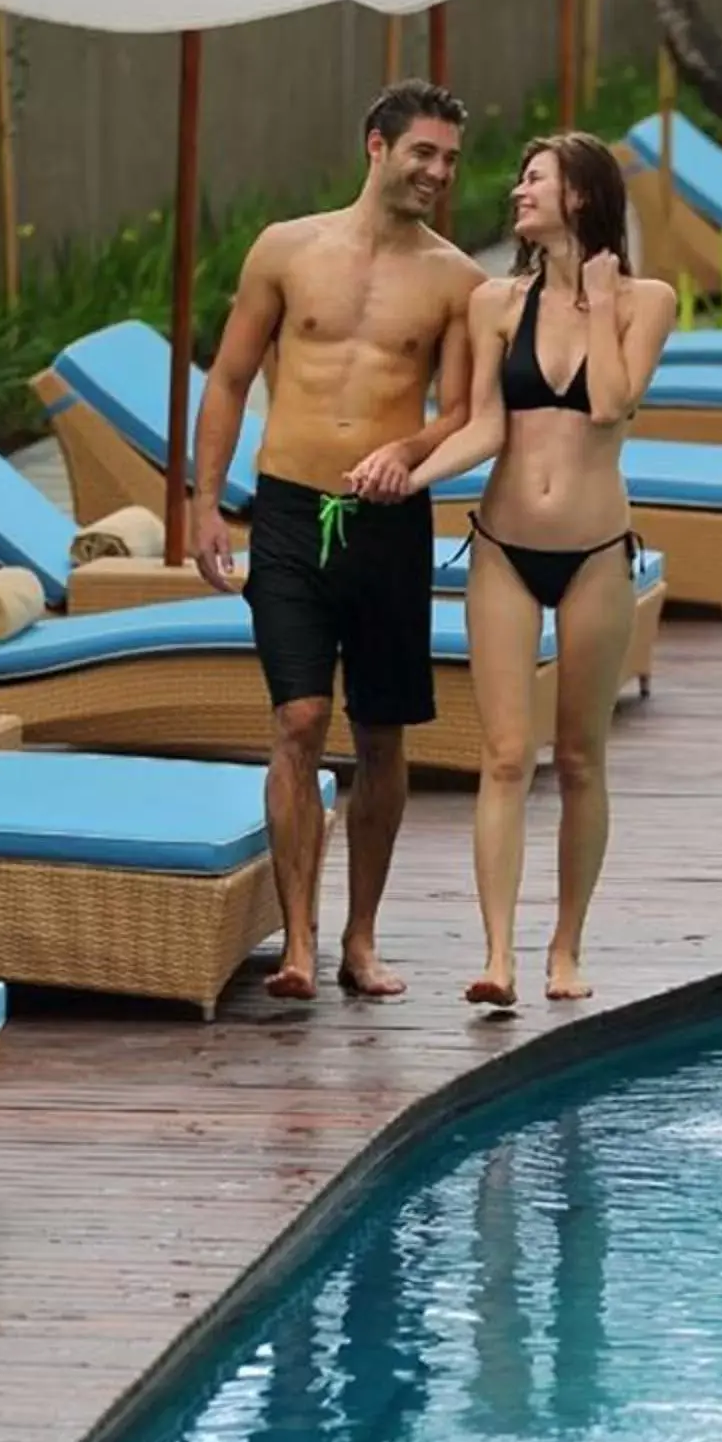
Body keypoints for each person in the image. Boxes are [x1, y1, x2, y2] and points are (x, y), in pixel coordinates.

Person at [193, 81, 480, 1003]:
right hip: (286, 511)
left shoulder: (457, 280)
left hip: (389, 525)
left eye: (448, 159)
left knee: (383, 734)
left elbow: (465, 414)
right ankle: (300, 944)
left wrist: (409, 448)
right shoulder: (286, 250)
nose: (436, 172)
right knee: (299, 720)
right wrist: (205, 504)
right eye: (422, 153)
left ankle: (361, 939)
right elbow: (231, 379)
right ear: (377, 146)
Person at [390, 131, 676, 1007]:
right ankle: (497, 956)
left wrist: (591, 305)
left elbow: (610, 402)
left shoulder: (646, 300)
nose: (517, 192)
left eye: (535, 179)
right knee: (507, 755)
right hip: (505, 549)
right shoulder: (493, 305)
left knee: (582, 758)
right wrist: (405, 474)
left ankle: (566, 949)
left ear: (580, 198)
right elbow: (481, 426)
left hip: (594, 554)